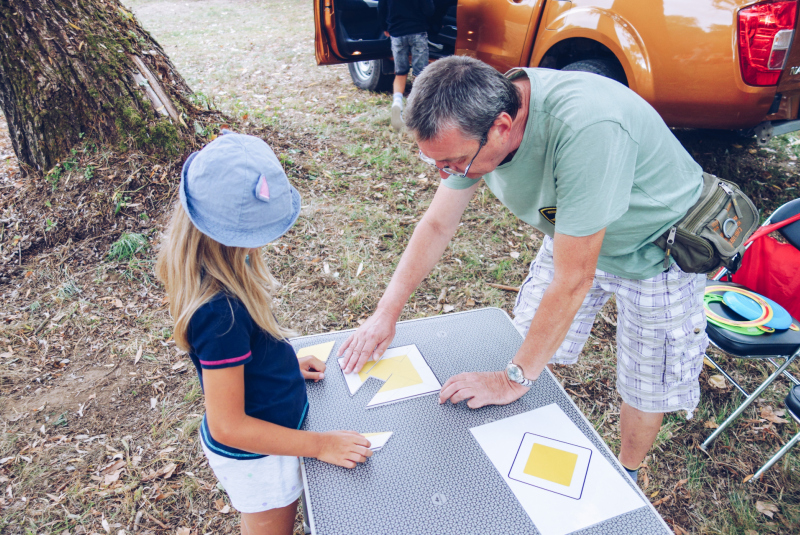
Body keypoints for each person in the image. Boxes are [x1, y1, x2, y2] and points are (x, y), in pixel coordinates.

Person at [338, 56, 709, 484]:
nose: (447, 174)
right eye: (435, 163)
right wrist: (386, 313)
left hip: (656, 250)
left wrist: (512, 379)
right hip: (573, 231)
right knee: (527, 341)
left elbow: (574, 280)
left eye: (454, 162)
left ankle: (626, 476)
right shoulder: (472, 126)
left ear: (501, 126)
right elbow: (438, 223)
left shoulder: (587, 130)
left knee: (646, 383)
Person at [156, 132, 372, 535]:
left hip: (275, 433)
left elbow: (247, 353)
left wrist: (283, 363)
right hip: (258, 457)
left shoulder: (228, 274)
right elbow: (228, 426)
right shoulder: (219, 314)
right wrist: (321, 445)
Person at [378, 0, 435, 131]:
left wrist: (385, 28)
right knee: (420, 75)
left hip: (397, 33)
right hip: (417, 31)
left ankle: (397, 104)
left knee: (400, 73)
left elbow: (381, 10)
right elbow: (429, 10)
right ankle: (415, 110)